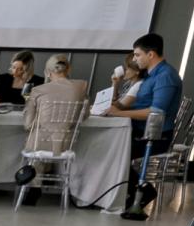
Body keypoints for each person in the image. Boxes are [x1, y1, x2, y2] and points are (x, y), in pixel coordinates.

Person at [107, 33, 183, 207]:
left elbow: (156, 112)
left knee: (114, 151)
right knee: (108, 147)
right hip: (140, 131)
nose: (134, 59)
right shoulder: (150, 76)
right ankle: (125, 193)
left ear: (151, 54)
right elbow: (133, 105)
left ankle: (143, 191)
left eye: (137, 55)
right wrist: (115, 106)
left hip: (155, 137)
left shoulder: (165, 76)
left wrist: (117, 114)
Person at [19, 56, 89, 204]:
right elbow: (84, 116)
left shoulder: (38, 90)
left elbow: (28, 124)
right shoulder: (81, 87)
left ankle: (34, 186)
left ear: (47, 72)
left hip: (39, 144)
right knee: (47, 137)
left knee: (36, 139)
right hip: (67, 143)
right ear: (68, 70)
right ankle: (48, 176)